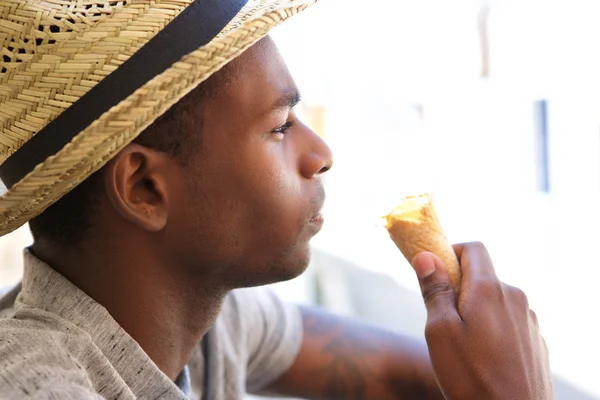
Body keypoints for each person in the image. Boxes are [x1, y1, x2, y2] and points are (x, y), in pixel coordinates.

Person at [0, 0, 552, 399]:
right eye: (280, 126)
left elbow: (405, 374)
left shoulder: (207, 323)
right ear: (145, 189)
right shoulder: (32, 384)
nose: (322, 153)